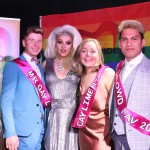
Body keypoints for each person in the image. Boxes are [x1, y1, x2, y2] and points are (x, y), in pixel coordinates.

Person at [0, 26, 50, 150]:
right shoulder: (13, 66)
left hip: (39, 131)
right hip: (20, 132)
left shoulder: (39, 67)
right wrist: (10, 133)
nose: (36, 44)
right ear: (24, 42)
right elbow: (6, 101)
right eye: (31, 40)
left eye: (39, 41)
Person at [109, 20, 150, 150]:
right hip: (116, 139)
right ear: (120, 44)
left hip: (141, 140)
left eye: (134, 39)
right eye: (124, 39)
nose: (129, 43)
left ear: (142, 43)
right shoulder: (119, 68)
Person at [44, 24, 82, 150]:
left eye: (68, 43)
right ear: (54, 44)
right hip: (52, 118)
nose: (63, 46)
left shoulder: (79, 65)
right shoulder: (46, 64)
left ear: (73, 45)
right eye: (60, 42)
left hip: (72, 119)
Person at [72, 38, 115, 150]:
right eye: (84, 51)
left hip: (102, 137)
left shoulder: (107, 73)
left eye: (92, 51)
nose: (88, 55)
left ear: (99, 54)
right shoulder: (80, 76)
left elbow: (118, 108)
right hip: (83, 135)